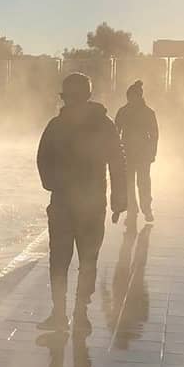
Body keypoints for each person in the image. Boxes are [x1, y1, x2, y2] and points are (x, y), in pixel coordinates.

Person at [36, 73, 127, 335]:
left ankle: (77, 312)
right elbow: (43, 159)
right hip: (71, 202)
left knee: (82, 259)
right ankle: (62, 313)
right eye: (70, 97)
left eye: (75, 97)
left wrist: (119, 197)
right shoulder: (58, 125)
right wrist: (52, 184)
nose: (72, 102)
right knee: (65, 259)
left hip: (83, 202)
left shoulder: (97, 125)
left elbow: (116, 161)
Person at [114, 81, 158, 223]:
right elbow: (116, 132)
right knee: (131, 183)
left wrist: (152, 152)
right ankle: (133, 210)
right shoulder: (125, 111)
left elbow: (154, 135)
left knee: (142, 182)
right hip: (129, 153)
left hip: (141, 153)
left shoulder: (146, 112)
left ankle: (146, 209)